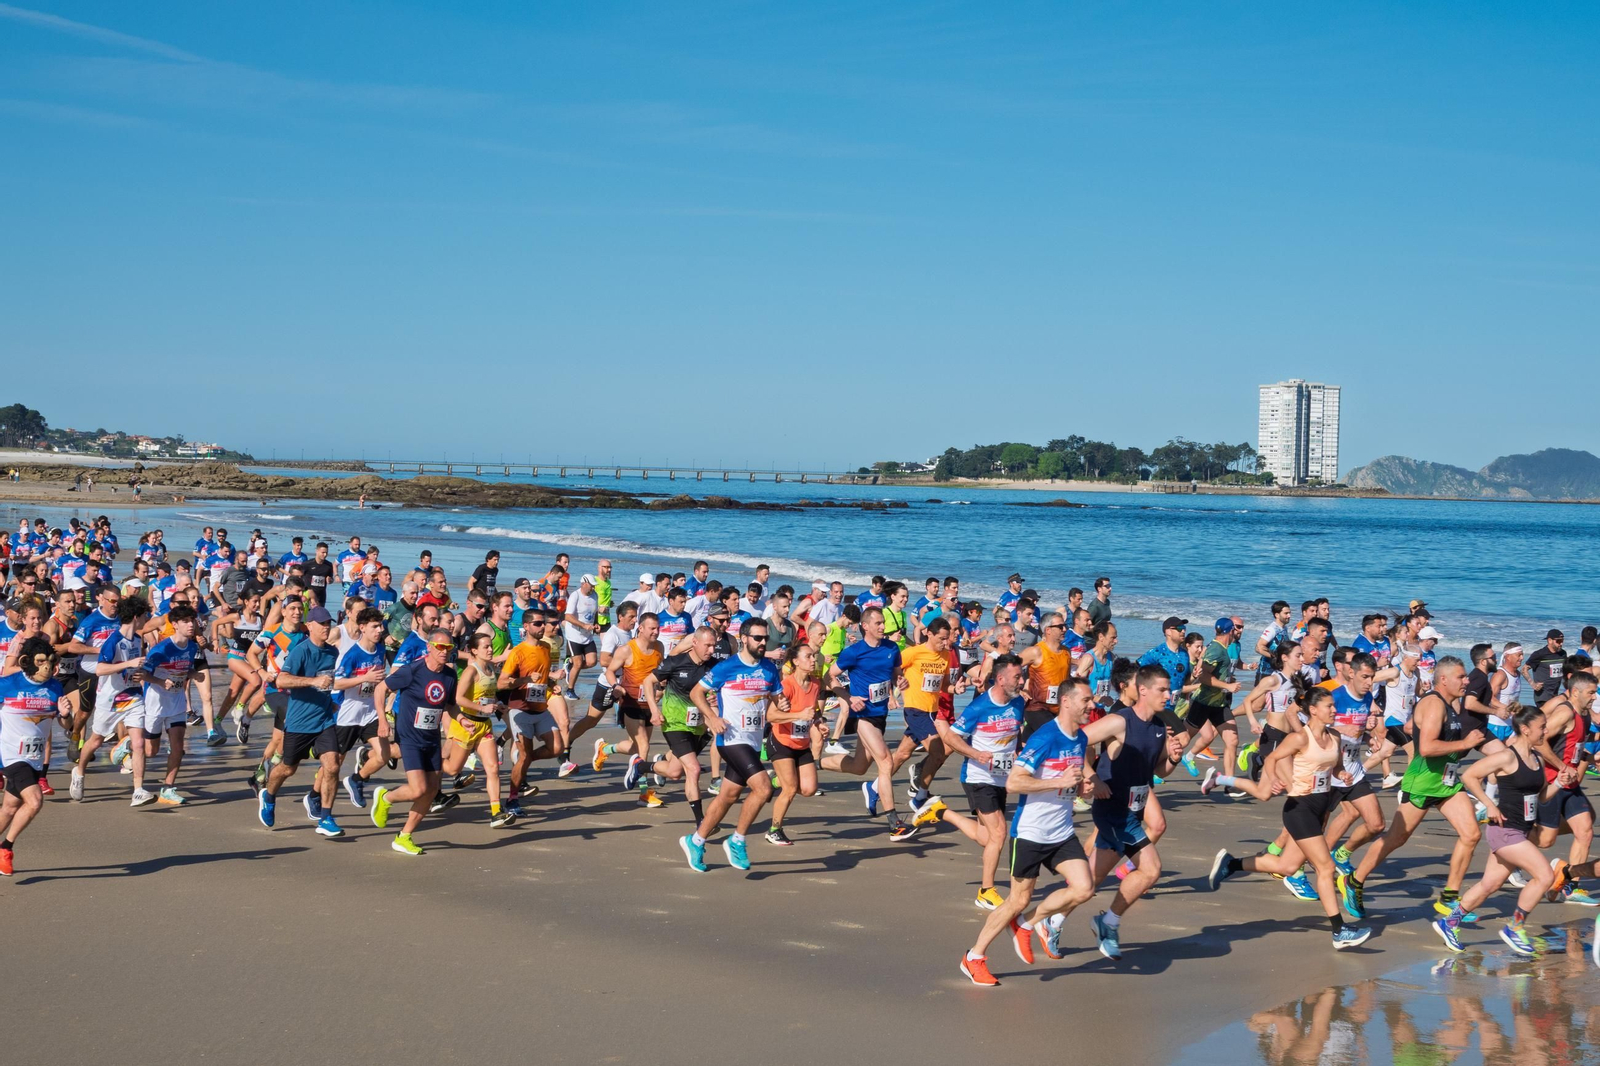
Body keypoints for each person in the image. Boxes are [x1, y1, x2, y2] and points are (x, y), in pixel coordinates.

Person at [1207, 688, 1374, 949]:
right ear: (1314, 710)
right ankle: (1339, 931)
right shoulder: (1300, 738)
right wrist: (1272, 780)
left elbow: (1337, 766)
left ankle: (1232, 864)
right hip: (1299, 809)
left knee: (1286, 867)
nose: (1334, 710)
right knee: (1326, 868)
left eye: (1334, 706)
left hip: (1319, 808)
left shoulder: (1335, 737)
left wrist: (1342, 775)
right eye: (1329, 706)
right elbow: (1271, 757)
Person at [957, 676, 1095, 986]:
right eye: (1086, 700)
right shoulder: (1045, 737)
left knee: (1084, 888)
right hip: (1031, 832)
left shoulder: (1080, 738)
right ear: (1067, 702)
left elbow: (1077, 778)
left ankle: (1031, 923)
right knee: (1018, 899)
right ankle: (974, 956)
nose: (1092, 704)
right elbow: (1014, 782)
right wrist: (1058, 783)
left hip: (1061, 832)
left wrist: (1086, 785)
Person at [1342, 657, 1485, 922]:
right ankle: (1355, 880)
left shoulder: (1450, 703)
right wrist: (1464, 742)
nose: (1466, 681)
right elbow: (1428, 748)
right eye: (1461, 677)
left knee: (1471, 834)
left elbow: (1410, 726)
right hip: (1423, 783)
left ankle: (1449, 898)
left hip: (1447, 783)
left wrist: (1416, 725)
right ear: (1444, 679)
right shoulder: (1433, 704)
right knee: (1396, 838)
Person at [1436, 704, 1562, 955]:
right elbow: (1469, 776)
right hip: (1505, 831)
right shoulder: (1507, 756)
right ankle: (1515, 928)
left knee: (1489, 885)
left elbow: (1543, 797)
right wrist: (1489, 805)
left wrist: (1560, 781)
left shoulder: (1536, 758)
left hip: (1521, 830)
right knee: (1545, 876)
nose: (1545, 731)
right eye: (1541, 727)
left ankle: (1449, 922)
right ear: (1525, 729)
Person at [1082, 663, 1187, 960]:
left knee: (1088, 881)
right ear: (1143, 690)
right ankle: (1109, 923)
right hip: (1113, 809)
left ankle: (1048, 920)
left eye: (1169, 690)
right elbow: (1076, 742)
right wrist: (1092, 778)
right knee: (1151, 868)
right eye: (1162, 690)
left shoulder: (1157, 727)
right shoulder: (1119, 721)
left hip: (1134, 809)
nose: (1169, 695)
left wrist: (1174, 759)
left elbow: (1155, 771)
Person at [679, 617, 783, 872]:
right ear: (744, 639)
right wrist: (712, 718)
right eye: (757, 638)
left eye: (765, 638)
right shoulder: (727, 667)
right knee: (763, 789)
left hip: (752, 739)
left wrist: (785, 706)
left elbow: (777, 699)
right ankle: (737, 840)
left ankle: (696, 841)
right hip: (731, 739)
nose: (762, 642)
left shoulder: (770, 669)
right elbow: (696, 693)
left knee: (728, 796)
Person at [931, 652, 1026, 910]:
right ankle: (985, 891)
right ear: (1000, 678)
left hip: (1001, 777)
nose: (1021, 681)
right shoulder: (979, 707)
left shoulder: (1018, 703)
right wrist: (976, 754)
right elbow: (951, 737)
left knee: (987, 837)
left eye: (1022, 676)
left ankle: (942, 812)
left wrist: (1017, 752)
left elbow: (1015, 733)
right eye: (1017, 677)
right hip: (978, 777)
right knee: (999, 834)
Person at [257, 606, 345, 838]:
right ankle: (268, 795)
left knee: (333, 766)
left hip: (324, 719)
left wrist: (332, 700)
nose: (327, 627)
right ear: (310, 626)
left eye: (329, 623)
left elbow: (330, 681)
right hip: (299, 722)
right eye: (322, 623)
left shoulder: (332, 653)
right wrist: (313, 681)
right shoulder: (300, 651)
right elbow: (282, 681)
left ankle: (326, 818)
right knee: (288, 768)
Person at [821, 606, 908, 837]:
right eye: (878, 623)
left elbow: (896, 673)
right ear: (865, 626)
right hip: (861, 715)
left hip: (880, 715)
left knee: (859, 767)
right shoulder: (854, 652)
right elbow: (828, 676)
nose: (883, 627)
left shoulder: (891, 648)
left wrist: (901, 683)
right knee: (886, 762)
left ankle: (815, 763)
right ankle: (894, 823)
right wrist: (848, 697)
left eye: (883, 623)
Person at [370, 628, 455, 855]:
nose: (444, 652)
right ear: (429, 647)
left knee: (431, 790)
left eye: (449, 648)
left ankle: (404, 836)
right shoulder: (412, 671)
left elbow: (450, 706)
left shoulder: (449, 675)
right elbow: (380, 688)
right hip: (409, 737)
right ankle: (385, 797)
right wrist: (382, 721)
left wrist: (461, 721)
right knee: (419, 789)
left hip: (432, 739)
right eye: (440, 647)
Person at [0, 636, 71, 876]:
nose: (47, 668)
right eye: (41, 662)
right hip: (10, 755)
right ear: (26, 661)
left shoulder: (54, 687)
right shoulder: (7, 684)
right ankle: (5, 848)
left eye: (50, 662)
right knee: (35, 800)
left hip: (34, 757)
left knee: (10, 807)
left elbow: (66, 725)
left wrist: (64, 714)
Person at [131, 604, 211, 806]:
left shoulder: (192, 647)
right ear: (175, 625)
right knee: (151, 752)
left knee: (177, 747)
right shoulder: (161, 650)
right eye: (185, 621)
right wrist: (159, 682)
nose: (190, 625)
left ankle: (167, 788)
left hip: (176, 704)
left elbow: (185, 670)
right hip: (155, 704)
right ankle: (127, 744)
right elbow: (141, 674)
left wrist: (194, 674)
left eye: (192, 620)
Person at [71, 595, 150, 801]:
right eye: (144, 615)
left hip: (133, 696)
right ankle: (79, 772)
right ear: (135, 617)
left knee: (139, 743)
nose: (146, 619)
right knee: (96, 740)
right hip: (110, 700)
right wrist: (128, 665)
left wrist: (141, 674)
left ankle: (138, 791)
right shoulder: (113, 640)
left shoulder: (138, 639)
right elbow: (99, 669)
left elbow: (135, 667)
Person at [643, 625, 717, 822]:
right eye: (707, 645)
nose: (711, 650)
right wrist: (653, 709)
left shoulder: (715, 666)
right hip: (674, 723)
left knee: (675, 772)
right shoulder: (675, 662)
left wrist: (715, 699)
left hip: (698, 726)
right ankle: (701, 821)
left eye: (714, 646)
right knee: (693, 769)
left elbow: (722, 690)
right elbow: (647, 681)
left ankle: (642, 767)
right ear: (694, 643)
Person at [591, 612, 664, 804]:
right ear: (640, 628)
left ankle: (605, 749)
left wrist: (661, 689)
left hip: (650, 704)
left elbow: (660, 675)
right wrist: (616, 686)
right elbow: (609, 671)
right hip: (630, 703)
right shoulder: (626, 650)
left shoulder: (659, 647)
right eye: (652, 628)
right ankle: (643, 792)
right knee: (643, 746)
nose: (656, 632)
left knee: (635, 747)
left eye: (658, 628)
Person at [500, 608, 566, 816]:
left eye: (543, 623)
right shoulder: (518, 652)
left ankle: (525, 761)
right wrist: (525, 680)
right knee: (524, 755)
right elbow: (502, 683)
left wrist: (551, 684)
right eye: (537, 623)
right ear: (526, 627)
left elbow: (543, 677)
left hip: (541, 708)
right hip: (520, 710)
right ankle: (512, 799)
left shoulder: (546, 647)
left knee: (557, 748)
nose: (542, 627)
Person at [765, 641, 826, 844]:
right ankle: (774, 829)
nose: (812, 659)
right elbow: (771, 716)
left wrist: (819, 722)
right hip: (781, 742)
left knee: (808, 789)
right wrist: (799, 714)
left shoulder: (816, 684)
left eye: (813, 656)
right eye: (807, 656)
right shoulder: (787, 685)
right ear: (796, 661)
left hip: (801, 744)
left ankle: (774, 780)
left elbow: (814, 712)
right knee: (790, 789)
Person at [333, 607, 389, 812]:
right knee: (333, 765)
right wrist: (364, 678)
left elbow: (378, 680)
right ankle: (314, 795)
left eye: (381, 626)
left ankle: (357, 779)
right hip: (348, 714)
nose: (380, 630)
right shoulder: (351, 655)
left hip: (370, 712)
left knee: (384, 755)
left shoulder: (380, 650)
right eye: (375, 626)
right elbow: (336, 683)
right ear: (362, 628)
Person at [1180, 618, 1244, 777]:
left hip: (1219, 705)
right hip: (1203, 703)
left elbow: (1214, 673)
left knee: (1232, 740)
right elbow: (1203, 676)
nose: (1237, 632)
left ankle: (1229, 782)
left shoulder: (1219, 647)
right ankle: (1155, 772)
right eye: (1236, 629)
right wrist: (1227, 686)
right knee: (1183, 740)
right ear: (1230, 631)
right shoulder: (1217, 649)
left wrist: (1227, 680)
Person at [563, 572, 600, 697]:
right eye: (591, 585)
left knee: (592, 662)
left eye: (594, 586)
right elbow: (567, 616)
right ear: (583, 584)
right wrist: (583, 625)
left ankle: (569, 667)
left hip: (587, 635)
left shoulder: (595, 595)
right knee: (578, 663)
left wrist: (596, 624)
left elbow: (594, 613)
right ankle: (570, 690)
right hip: (574, 635)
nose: (593, 588)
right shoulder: (575, 595)